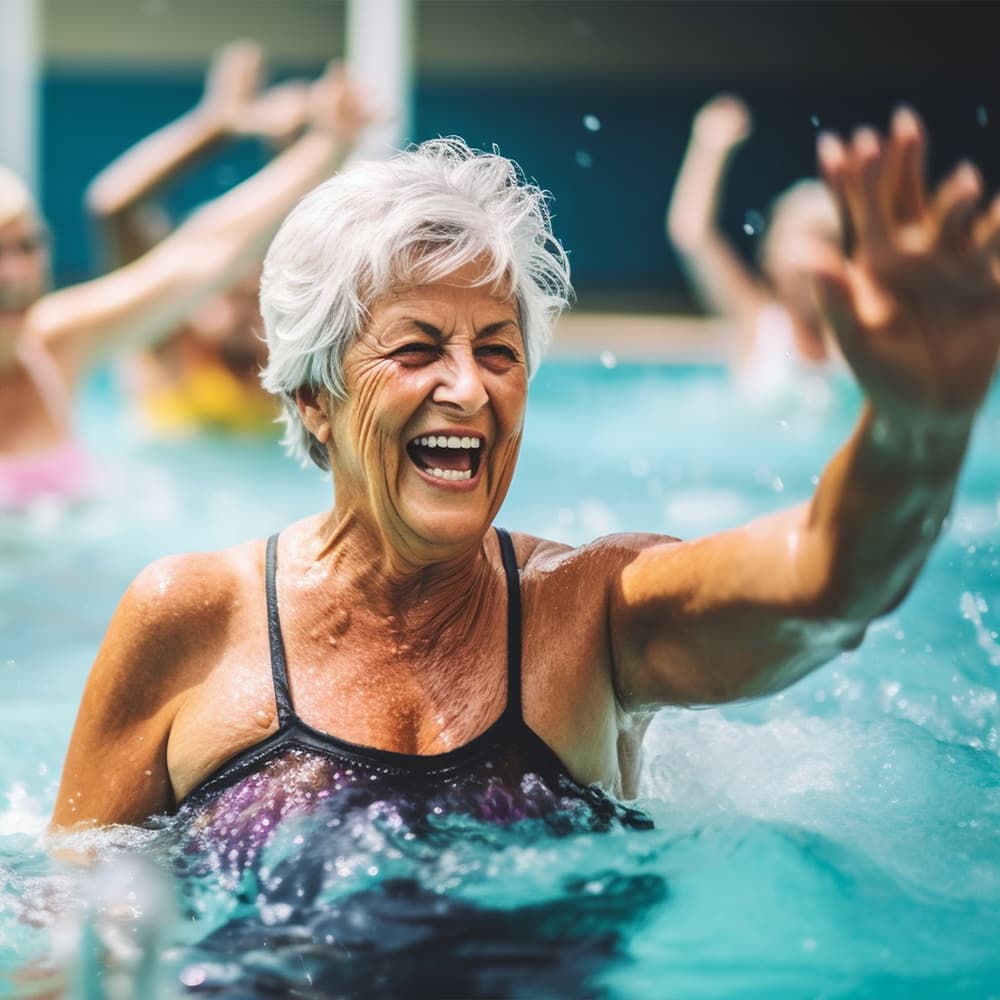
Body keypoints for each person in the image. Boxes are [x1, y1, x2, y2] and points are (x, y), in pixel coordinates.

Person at [50, 110, 999, 852]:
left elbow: (827, 585)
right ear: (313, 397)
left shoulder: (591, 613)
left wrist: (918, 429)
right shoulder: (189, 622)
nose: (469, 388)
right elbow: (70, 922)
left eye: (498, 350)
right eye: (417, 348)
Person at [0, 56, 369, 509]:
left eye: (28, 246)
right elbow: (115, 207)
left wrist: (325, 146)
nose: (15, 272)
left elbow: (205, 249)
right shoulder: (174, 349)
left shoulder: (54, 343)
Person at [85, 41, 347, 437]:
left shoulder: (286, 366)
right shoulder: (166, 345)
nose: (243, 306)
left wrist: (303, 148)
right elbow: (114, 208)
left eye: (254, 292)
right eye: (226, 288)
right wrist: (213, 125)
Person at [666, 94, 843, 401]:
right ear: (769, 256)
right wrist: (708, 147)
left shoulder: (856, 337)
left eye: (828, 239)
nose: (812, 257)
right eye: (802, 236)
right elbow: (691, 234)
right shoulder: (760, 323)